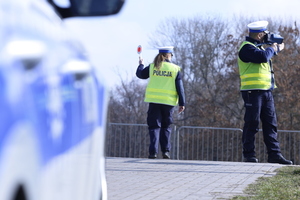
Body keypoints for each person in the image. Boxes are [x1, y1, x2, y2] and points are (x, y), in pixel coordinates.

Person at [238, 20, 292, 165]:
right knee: (252, 123)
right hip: (252, 91)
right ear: (260, 34)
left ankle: (274, 154)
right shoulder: (246, 48)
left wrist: (274, 48)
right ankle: (249, 155)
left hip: (266, 91)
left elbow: (264, 56)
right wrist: (274, 48)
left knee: (271, 124)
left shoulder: (260, 48)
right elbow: (262, 57)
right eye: (265, 34)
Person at [136, 46, 185, 159]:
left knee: (154, 127)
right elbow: (180, 88)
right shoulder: (175, 69)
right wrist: (182, 103)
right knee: (166, 126)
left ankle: (153, 152)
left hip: (154, 101)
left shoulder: (153, 66)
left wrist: (141, 64)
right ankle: (165, 151)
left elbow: (141, 75)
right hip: (168, 103)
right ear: (169, 56)